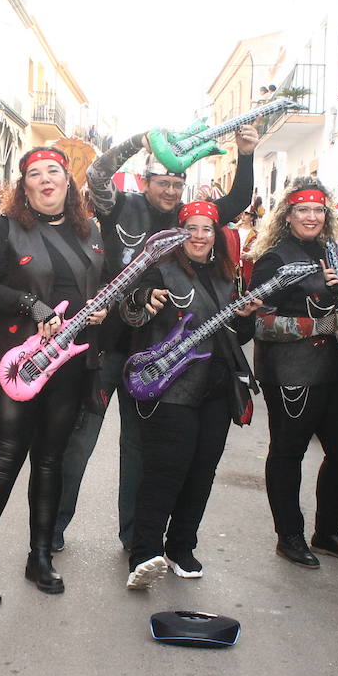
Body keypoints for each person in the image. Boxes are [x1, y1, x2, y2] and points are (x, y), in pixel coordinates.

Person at [58, 121, 258, 552]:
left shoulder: (190, 220)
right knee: (80, 441)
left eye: (177, 183)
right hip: (104, 345)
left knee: (138, 448)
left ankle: (134, 539)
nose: (170, 190)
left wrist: (245, 154)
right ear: (146, 180)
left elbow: (239, 200)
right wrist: (138, 139)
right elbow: (96, 175)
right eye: (162, 181)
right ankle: (52, 531)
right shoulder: (120, 206)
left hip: (152, 356)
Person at [0, 146, 108, 605]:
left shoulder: (90, 231)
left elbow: (101, 282)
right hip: (17, 363)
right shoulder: (3, 229)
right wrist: (30, 305)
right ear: (23, 187)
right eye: (35, 174)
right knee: (4, 458)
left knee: (50, 460)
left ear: (67, 181)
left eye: (53, 172)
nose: (46, 180)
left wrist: (101, 309)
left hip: (69, 363)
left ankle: (40, 556)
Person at [119, 201, 260, 588]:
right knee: (165, 471)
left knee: (202, 472)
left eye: (206, 229)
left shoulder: (227, 276)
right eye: (191, 229)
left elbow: (238, 338)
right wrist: (143, 299)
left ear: (216, 236)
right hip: (172, 387)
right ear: (179, 234)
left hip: (217, 387)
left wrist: (246, 318)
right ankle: (144, 551)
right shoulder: (159, 269)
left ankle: (181, 546)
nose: (199, 236)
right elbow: (130, 312)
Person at [249, 177, 338, 573]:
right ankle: (289, 535)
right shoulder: (274, 259)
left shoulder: (333, 252)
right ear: (288, 214)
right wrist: (317, 326)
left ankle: (328, 531)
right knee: (288, 452)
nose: (312, 216)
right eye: (303, 209)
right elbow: (259, 323)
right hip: (291, 373)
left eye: (318, 209)